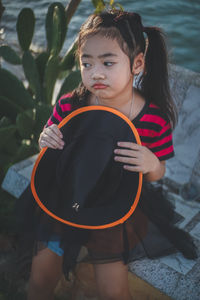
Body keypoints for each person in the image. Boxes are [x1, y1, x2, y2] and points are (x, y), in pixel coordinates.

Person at [25, 9, 197, 300]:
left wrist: (151, 162)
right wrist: (46, 139)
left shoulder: (152, 118)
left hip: (117, 207)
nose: (96, 73)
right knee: (40, 277)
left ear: (137, 64)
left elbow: (159, 171)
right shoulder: (71, 104)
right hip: (66, 197)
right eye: (86, 63)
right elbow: (51, 140)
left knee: (113, 290)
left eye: (107, 62)